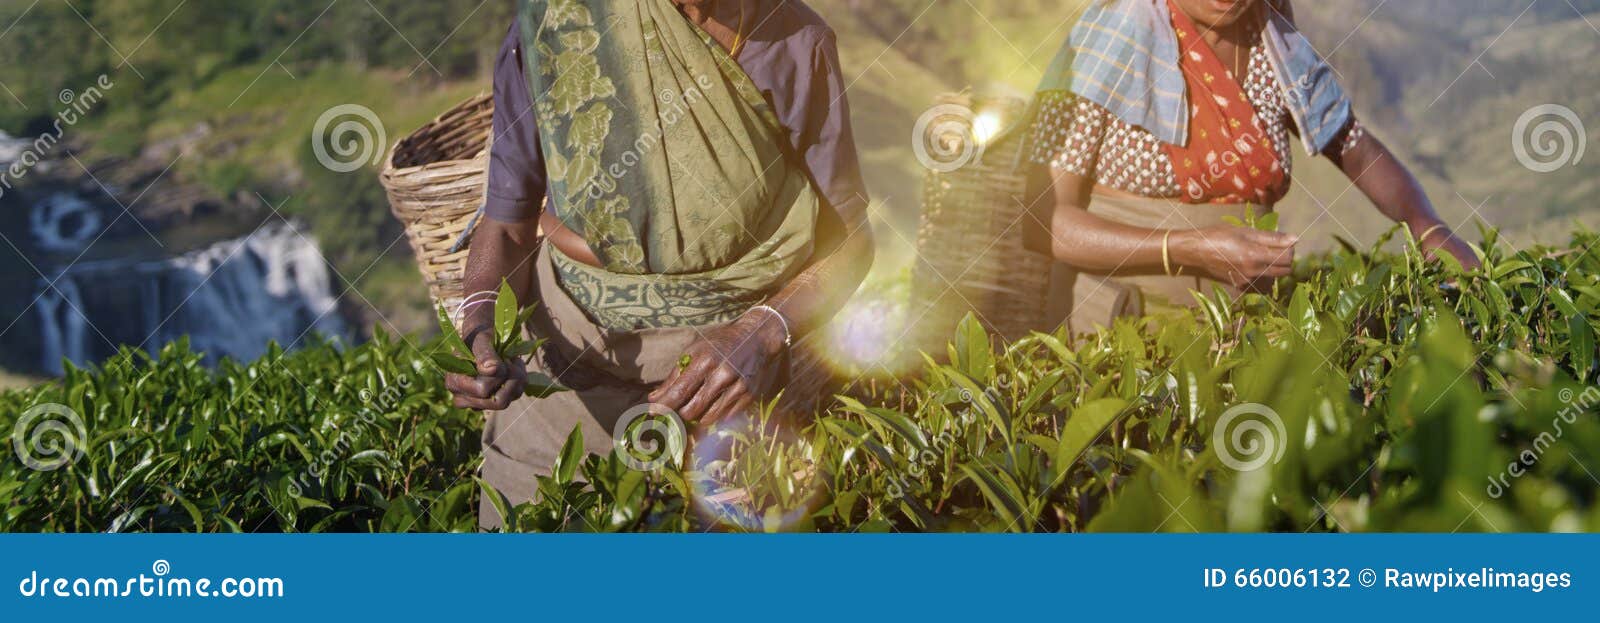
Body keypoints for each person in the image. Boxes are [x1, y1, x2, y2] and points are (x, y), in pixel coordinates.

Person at [446, 0, 873, 528]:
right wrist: (480, 327)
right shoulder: (556, 27)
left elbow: (849, 241)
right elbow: (508, 224)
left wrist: (761, 333)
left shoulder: (794, 43)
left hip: (719, 388)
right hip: (561, 382)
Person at [1026, 0, 1478, 332]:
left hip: (1242, 334)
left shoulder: (1270, 39)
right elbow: (1044, 224)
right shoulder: (1107, 38)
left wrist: (1427, 225)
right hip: (1120, 332)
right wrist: (1186, 248)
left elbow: (1354, 145)